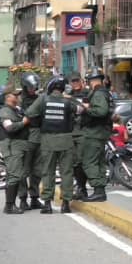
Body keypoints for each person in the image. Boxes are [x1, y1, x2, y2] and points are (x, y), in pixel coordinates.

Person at [25, 77, 79, 214]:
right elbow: (79, 110)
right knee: (66, 172)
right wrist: (70, 98)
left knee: (48, 172)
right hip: (66, 140)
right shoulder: (68, 101)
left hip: (48, 140)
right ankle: (66, 203)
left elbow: (29, 113)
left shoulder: (43, 99)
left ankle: (47, 204)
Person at [79, 68, 112, 202]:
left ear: (92, 81)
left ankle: (98, 189)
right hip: (100, 132)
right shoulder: (104, 92)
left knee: (89, 162)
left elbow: (101, 111)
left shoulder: (98, 94)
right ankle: (101, 191)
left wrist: (86, 108)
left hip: (94, 132)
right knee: (99, 162)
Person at [0, 92, 28, 214]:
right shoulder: (5, 111)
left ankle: (10, 205)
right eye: (14, 95)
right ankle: (9, 206)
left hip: (18, 145)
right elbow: (9, 128)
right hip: (11, 146)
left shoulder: (16, 110)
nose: (17, 97)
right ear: (7, 98)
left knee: (14, 175)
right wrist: (24, 122)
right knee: (14, 176)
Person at [19, 73, 43, 211]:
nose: (33, 89)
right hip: (25, 137)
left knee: (37, 170)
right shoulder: (19, 100)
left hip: (38, 136)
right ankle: (23, 199)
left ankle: (34, 197)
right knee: (24, 171)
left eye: (35, 86)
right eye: (31, 87)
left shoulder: (39, 99)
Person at [67, 73, 89, 200]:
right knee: (74, 163)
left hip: (83, 130)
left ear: (81, 81)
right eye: (72, 81)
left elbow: (87, 108)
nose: (75, 83)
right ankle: (80, 187)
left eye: (77, 81)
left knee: (81, 161)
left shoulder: (86, 94)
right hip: (71, 130)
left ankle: (83, 188)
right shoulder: (69, 94)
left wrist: (70, 98)